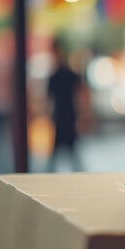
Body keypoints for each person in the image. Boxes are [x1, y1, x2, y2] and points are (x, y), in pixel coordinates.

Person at [47, 39, 83, 172]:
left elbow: (80, 95)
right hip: (60, 118)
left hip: (68, 117)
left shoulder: (66, 75)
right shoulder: (55, 76)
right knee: (63, 154)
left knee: (70, 154)